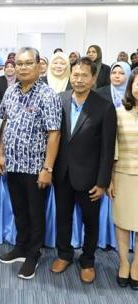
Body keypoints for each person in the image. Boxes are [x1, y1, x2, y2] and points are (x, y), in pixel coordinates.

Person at [0, 47, 62, 280]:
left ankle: (33, 254)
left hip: (36, 168)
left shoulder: (48, 95)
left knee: (35, 213)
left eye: (28, 63)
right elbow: (5, 123)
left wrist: (48, 168)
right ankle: (21, 247)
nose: (22, 68)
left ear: (38, 65)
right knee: (19, 209)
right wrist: (1, 153)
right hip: (13, 164)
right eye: (19, 64)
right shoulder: (10, 91)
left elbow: (54, 133)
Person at [51, 57, 116, 284]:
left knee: (90, 221)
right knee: (63, 217)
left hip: (90, 178)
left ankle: (87, 261)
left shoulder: (104, 107)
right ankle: (64, 254)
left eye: (84, 75)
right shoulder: (60, 99)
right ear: (70, 76)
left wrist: (102, 182)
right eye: (76, 74)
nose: (79, 79)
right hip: (62, 173)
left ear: (93, 78)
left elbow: (108, 149)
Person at [108, 68, 138, 290]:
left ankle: (136, 265)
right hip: (123, 174)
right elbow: (112, 149)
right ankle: (123, 263)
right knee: (123, 223)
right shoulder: (119, 112)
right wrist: (109, 178)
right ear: (131, 86)